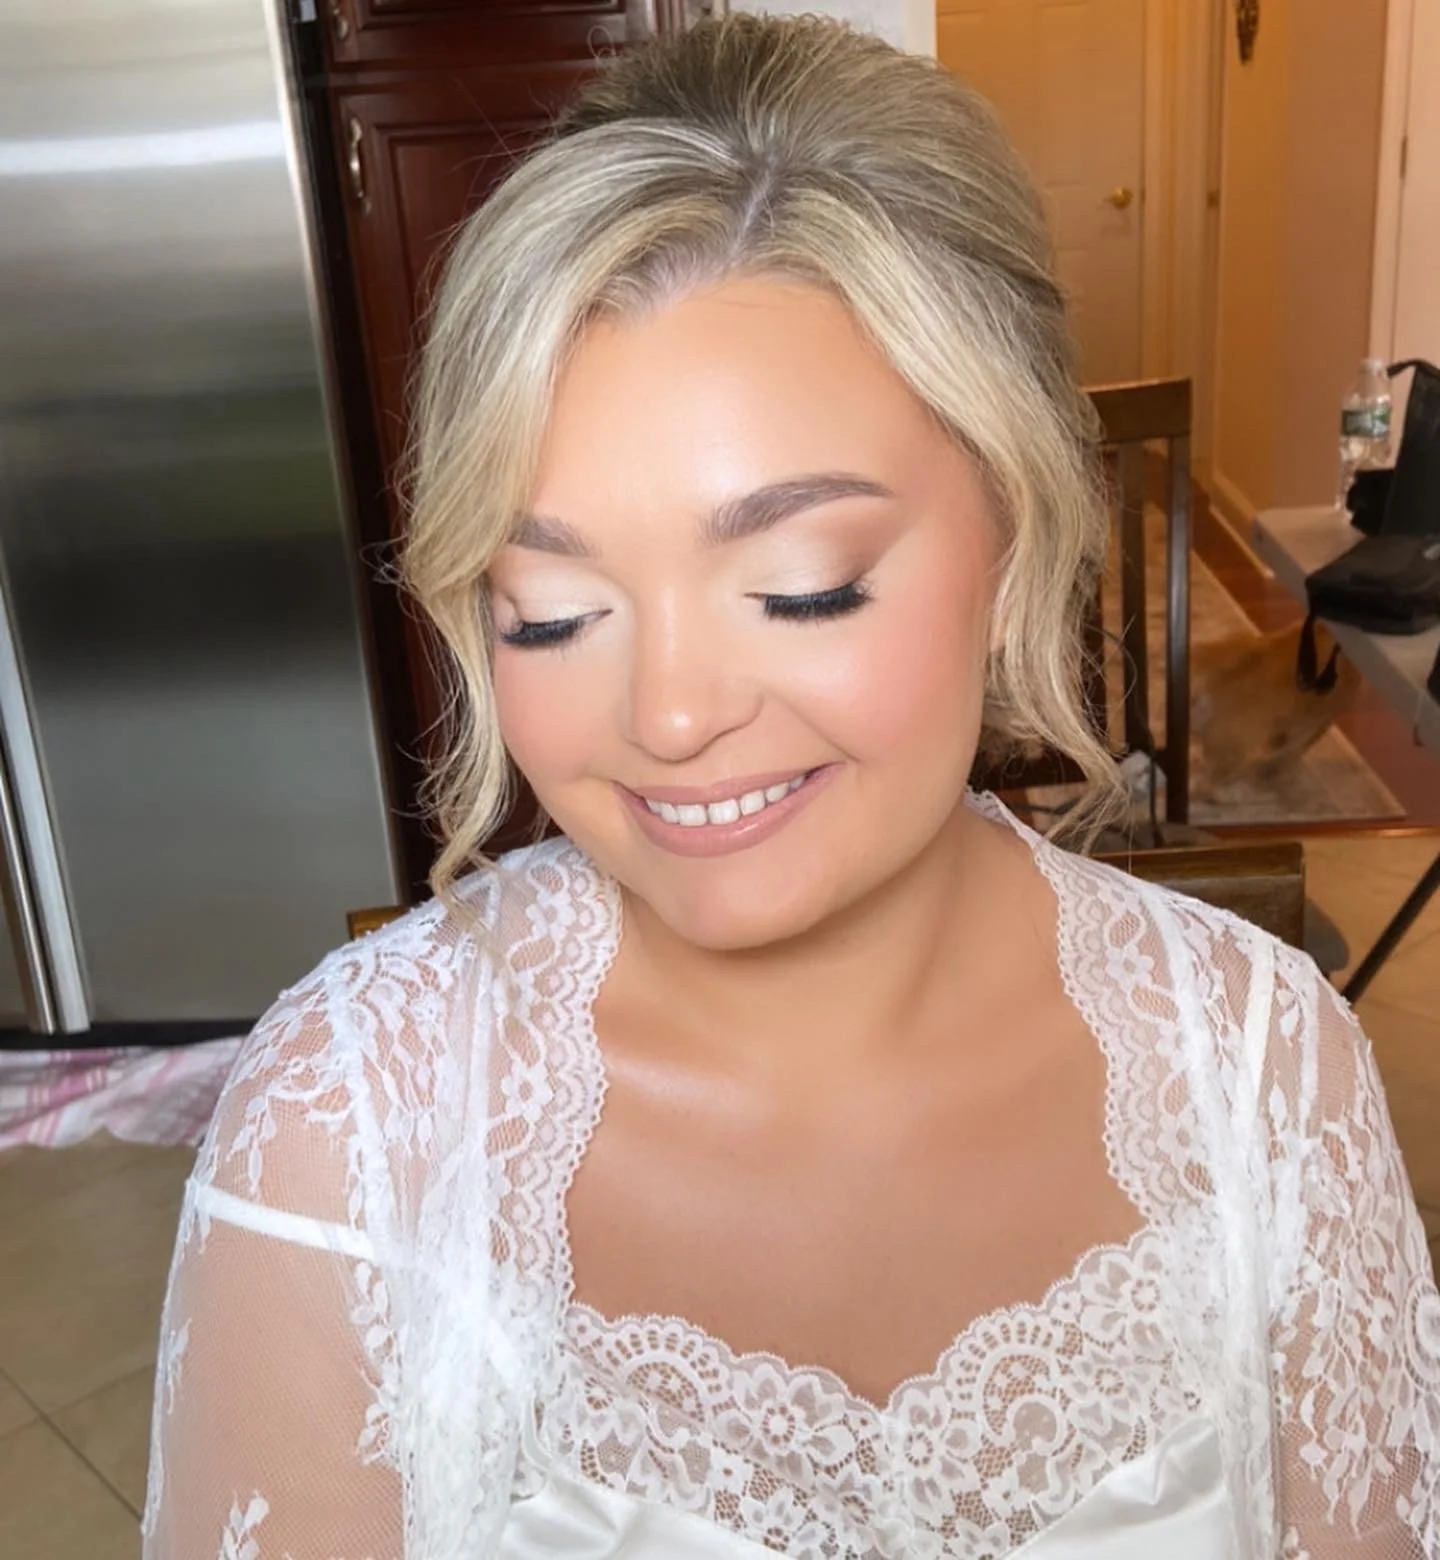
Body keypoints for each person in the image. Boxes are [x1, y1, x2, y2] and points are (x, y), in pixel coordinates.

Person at [142, 16, 1440, 1559]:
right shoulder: (343, 1134)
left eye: (805, 586)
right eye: (550, 612)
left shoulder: (1266, 1077)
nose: (672, 716)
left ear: (1017, 532)